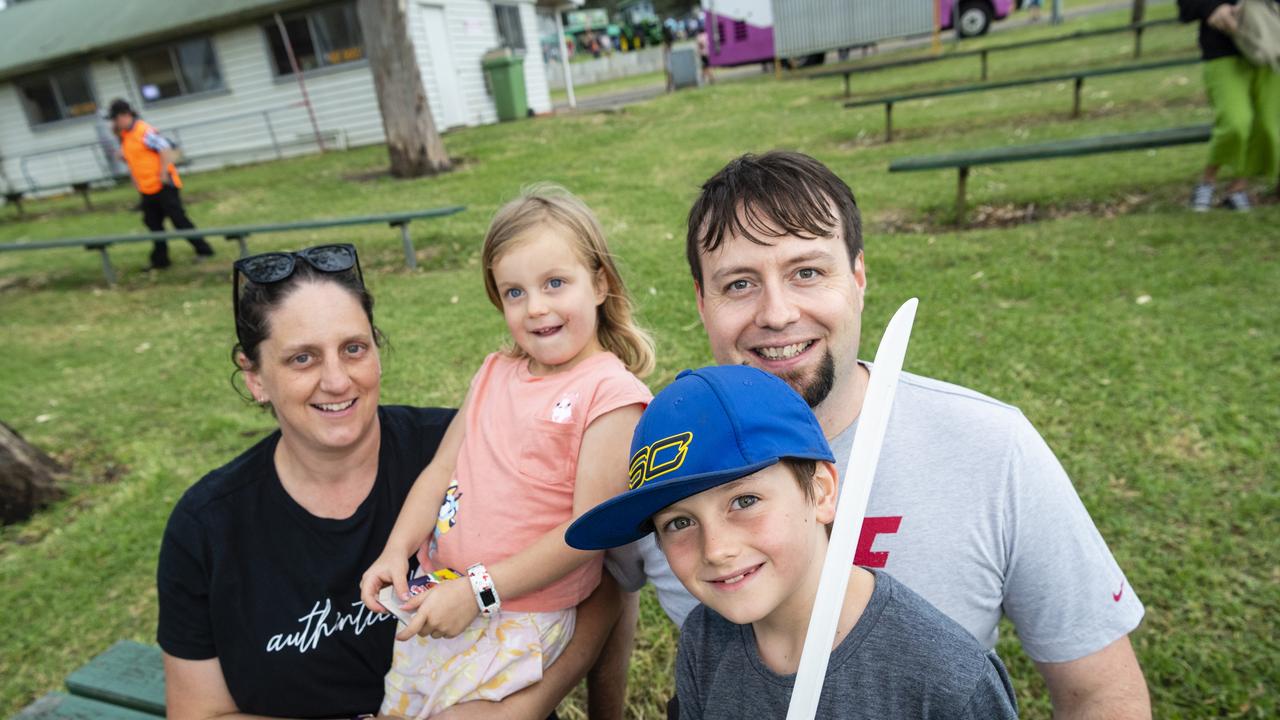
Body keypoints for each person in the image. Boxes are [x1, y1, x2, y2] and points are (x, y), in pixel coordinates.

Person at [605, 151, 1152, 717]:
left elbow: (1100, 693)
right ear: (701, 303)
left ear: (859, 278)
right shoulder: (661, 471)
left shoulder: (991, 447)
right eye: (739, 284)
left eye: (807, 272)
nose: (776, 312)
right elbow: (601, 595)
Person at [157, 242, 627, 719]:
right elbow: (198, 714)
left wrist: (521, 709)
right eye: (303, 359)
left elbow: (606, 580)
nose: (337, 380)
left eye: (353, 349)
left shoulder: (469, 451)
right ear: (255, 377)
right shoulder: (208, 526)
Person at [568, 366, 1020, 718]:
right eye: (679, 523)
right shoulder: (705, 640)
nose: (716, 549)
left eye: (744, 500)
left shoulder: (946, 678)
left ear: (821, 491)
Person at [359, 185, 653, 718]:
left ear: (600, 283)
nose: (536, 307)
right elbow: (438, 473)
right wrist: (393, 552)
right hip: (442, 595)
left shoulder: (610, 395)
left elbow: (588, 536)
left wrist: (479, 591)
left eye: (555, 283)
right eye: (514, 292)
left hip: (520, 615)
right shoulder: (495, 372)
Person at [1178, 0, 1280, 211]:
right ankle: (1207, 182)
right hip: (1221, 50)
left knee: (1267, 127)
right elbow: (1186, 7)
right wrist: (1213, 8)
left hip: (1271, 45)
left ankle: (1238, 188)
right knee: (1235, 122)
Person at [108, 99, 214, 270]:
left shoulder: (143, 130)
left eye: (115, 119)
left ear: (125, 115)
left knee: (179, 220)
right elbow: (134, 160)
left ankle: (204, 250)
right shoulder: (126, 136)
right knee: (153, 224)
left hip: (163, 185)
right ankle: (160, 260)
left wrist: (164, 173)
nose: (114, 123)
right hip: (147, 188)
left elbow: (165, 148)